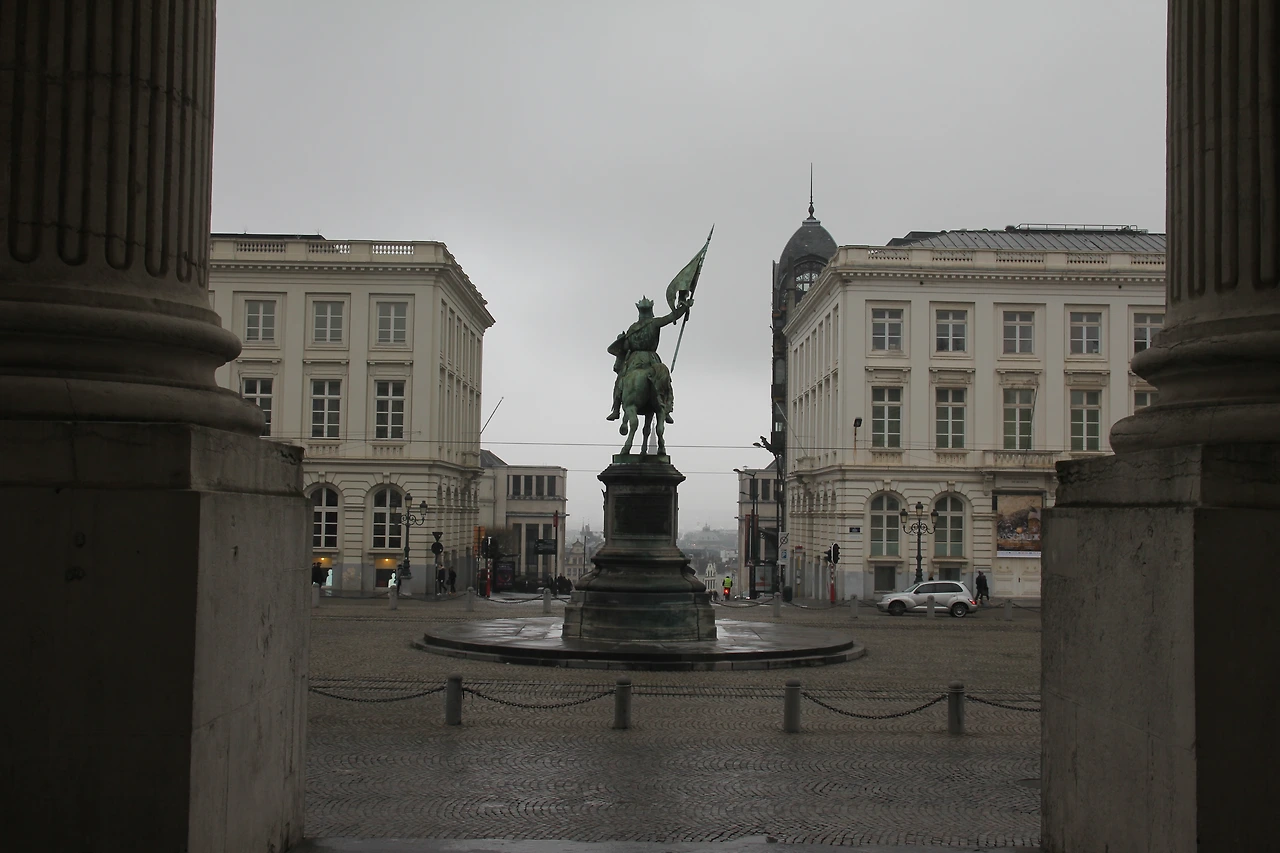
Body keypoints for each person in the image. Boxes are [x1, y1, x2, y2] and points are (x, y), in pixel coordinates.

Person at [606, 296, 692, 424]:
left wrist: (622, 341)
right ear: (651, 310)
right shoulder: (655, 323)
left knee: (620, 380)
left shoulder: (632, 328)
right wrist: (684, 307)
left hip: (635, 360)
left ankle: (616, 409)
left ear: (639, 312)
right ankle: (666, 409)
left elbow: (626, 347)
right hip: (652, 359)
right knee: (665, 380)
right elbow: (671, 317)